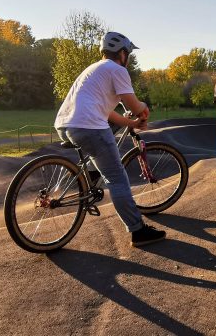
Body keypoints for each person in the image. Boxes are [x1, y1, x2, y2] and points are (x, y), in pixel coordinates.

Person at [54, 31, 166, 247]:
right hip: (89, 127)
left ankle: (91, 174)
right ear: (122, 53)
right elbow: (133, 105)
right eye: (129, 53)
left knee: (101, 148)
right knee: (117, 178)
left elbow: (106, 113)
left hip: (65, 124)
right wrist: (143, 110)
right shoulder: (117, 70)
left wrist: (132, 124)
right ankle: (138, 231)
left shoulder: (93, 69)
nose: (129, 58)